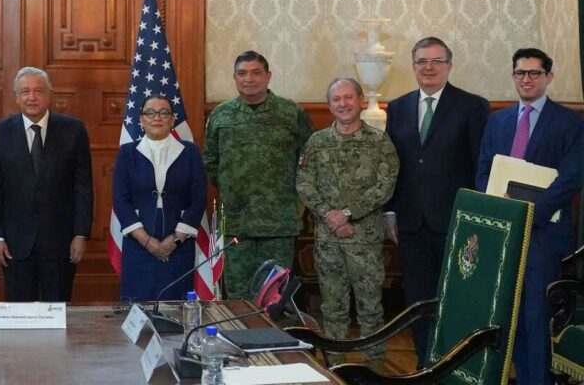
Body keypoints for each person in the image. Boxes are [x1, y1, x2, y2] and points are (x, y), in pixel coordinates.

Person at [477, 48, 584, 385]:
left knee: (536, 319)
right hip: (504, 234)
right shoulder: (498, 120)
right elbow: (484, 170)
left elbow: (571, 177)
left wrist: (531, 213)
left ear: (548, 77)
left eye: (534, 73)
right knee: (509, 318)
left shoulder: (571, 122)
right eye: (520, 73)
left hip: (542, 236)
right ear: (513, 76)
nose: (526, 79)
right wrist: (497, 210)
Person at [383, 36, 489, 366]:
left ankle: (455, 366)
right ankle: (424, 365)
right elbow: (392, 164)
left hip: (457, 222)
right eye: (422, 62)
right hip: (411, 223)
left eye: (436, 61)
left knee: (457, 298)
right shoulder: (398, 107)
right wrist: (390, 210)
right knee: (418, 301)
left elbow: (480, 165)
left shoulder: (472, 106)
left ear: (449, 66)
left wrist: (476, 218)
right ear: (413, 66)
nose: (429, 68)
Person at [296, 78, 399, 370]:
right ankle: (335, 368)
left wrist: (348, 213)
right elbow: (304, 183)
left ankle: (375, 370)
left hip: (364, 241)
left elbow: (385, 186)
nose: (343, 104)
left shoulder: (379, 142)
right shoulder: (317, 142)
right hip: (328, 242)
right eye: (336, 99)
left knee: (370, 310)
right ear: (330, 105)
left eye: (348, 98)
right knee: (333, 309)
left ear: (360, 100)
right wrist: (331, 214)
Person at [202, 51, 313, 299]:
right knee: (238, 296)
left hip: (279, 224)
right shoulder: (221, 114)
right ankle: (240, 339)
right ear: (234, 77)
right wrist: (234, 190)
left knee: (274, 296)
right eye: (242, 73)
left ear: (268, 76)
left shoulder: (290, 113)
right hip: (236, 224)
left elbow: (308, 161)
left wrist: (296, 206)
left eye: (256, 73)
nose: (249, 79)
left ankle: (274, 339)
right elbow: (210, 162)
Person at [0, 67, 94, 301]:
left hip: (61, 243)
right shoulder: (0, 132)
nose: (31, 97)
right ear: (16, 97)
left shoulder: (73, 130)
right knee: (19, 316)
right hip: (14, 245)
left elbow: (83, 187)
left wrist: (81, 234)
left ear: (49, 94)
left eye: (38, 91)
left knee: (58, 313)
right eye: (25, 91)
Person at [113, 95, 207, 301]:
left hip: (178, 246)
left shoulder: (190, 152)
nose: (157, 117)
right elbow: (120, 200)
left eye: (164, 112)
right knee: (138, 303)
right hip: (138, 245)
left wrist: (174, 240)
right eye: (150, 112)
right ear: (141, 119)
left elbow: (199, 199)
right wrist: (147, 241)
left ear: (173, 119)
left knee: (176, 305)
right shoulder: (127, 152)